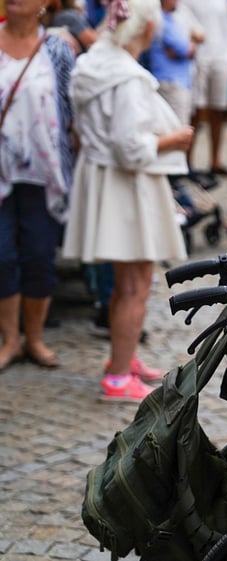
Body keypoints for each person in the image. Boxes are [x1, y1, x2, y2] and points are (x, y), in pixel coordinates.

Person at [62, 0, 192, 402]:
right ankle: (119, 375)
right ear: (144, 28)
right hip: (128, 187)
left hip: (108, 182)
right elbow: (131, 148)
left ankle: (124, 357)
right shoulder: (128, 79)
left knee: (126, 281)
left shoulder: (95, 64)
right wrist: (175, 138)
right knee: (136, 283)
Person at [0, 0, 75, 372]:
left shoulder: (58, 49)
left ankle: (36, 339)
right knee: (2, 256)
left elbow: (69, 108)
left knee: (40, 256)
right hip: (1, 171)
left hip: (45, 174)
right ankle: (10, 341)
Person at [179, 0, 227, 176]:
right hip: (199, 59)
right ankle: (187, 160)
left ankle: (215, 161)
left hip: (221, 58)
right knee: (195, 110)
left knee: (218, 109)